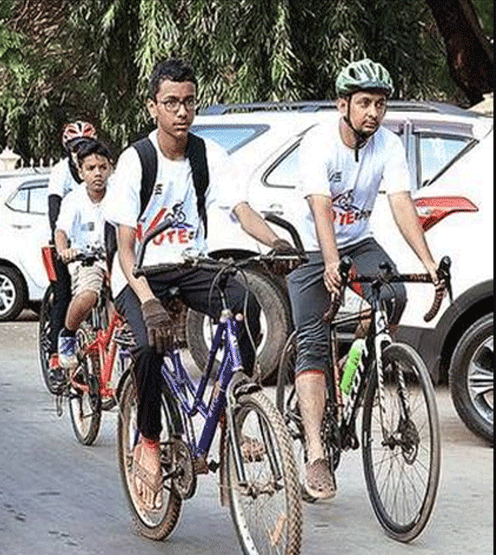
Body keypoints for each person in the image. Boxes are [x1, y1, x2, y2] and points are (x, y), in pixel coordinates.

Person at [104, 57, 297, 511]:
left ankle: (232, 405)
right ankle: (149, 440)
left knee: (246, 303)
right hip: (140, 272)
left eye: (189, 102)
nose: (182, 111)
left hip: (190, 265)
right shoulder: (136, 161)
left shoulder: (208, 155)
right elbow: (126, 250)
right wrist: (148, 301)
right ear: (153, 107)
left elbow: (241, 210)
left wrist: (276, 243)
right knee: (150, 346)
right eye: (171, 102)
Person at [287, 58, 441, 500]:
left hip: (359, 242)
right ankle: (316, 452)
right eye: (365, 103)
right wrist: (331, 261)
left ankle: (358, 353)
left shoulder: (388, 145)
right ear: (343, 105)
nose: (374, 112)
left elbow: (401, 204)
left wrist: (428, 263)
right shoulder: (319, 144)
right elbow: (320, 206)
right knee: (313, 342)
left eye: (381, 104)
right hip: (316, 247)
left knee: (392, 295)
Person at [46, 120, 98, 386]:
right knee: (63, 295)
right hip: (69, 244)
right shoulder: (60, 173)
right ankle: (58, 354)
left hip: (97, 245)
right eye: (76, 147)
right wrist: (62, 247)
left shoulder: (102, 175)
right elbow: (56, 214)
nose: (81, 151)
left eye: (85, 146)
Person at [54, 139, 114, 369]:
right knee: (89, 295)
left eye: (102, 167)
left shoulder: (120, 194)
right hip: (87, 260)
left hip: (116, 259)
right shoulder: (74, 199)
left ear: (110, 168)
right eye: (90, 168)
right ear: (80, 172)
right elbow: (61, 231)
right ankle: (67, 335)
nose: (97, 173)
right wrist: (64, 251)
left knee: (127, 306)